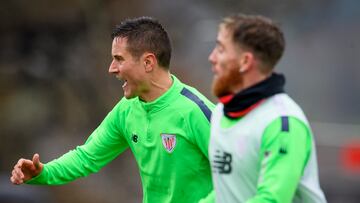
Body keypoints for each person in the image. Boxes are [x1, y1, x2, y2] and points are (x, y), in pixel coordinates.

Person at [10, 16, 215, 203]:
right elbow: (86, 157)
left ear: (148, 62)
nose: (111, 68)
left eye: (119, 59)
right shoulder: (126, 111)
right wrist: (43, 173)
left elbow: (241, 176)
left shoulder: (195, 111)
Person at [208, 13, 327, 203]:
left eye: (221, 49)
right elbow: (227, 193)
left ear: (245, 62)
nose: (212, 57)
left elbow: (272, 199)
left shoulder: (283, 123)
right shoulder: (220, 113)